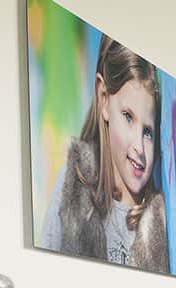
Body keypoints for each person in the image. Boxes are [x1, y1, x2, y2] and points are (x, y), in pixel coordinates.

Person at [39, 35, 167, 272]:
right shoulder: (72, 184)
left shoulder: (159, 220)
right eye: (128, 117)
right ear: (104, 98)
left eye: (148, 132)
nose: (139, 147)